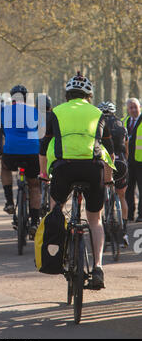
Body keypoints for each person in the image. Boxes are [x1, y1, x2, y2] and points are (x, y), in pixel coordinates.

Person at [39, 72, 115, 288]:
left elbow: (43, 148)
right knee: (95, 220)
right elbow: (109, 151)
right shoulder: (98, 113)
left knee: (57, 210)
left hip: (64, 169)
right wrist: (108, 179)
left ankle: (61, 255)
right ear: (88, 95)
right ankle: (98, 267)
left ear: (67, 95)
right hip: (93, 169)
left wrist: (44, 175)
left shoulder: (55, 112)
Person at [0, 85, 41, 240]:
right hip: (32, 152)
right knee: (34, 186)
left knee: (5, 167)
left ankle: (9, 201)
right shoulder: (35, 111)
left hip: (11, 152)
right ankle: (34, 222)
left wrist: (0, 152)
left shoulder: (3, 112)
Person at [98, 101, 129, 246]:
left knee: (103, 195)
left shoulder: (98, 124)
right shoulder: (121, 124)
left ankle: (107, 231)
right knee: (121, 196)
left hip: (104, 163)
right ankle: (124, 232)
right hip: (121, 163)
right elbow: (126, 148)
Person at [123, 98, 142, 221]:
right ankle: (129, 214)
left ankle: (141, 215)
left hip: (141, 161)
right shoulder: (124, 122)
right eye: (131, 107)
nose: (133, 109)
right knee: (128, 189)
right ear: (127, 109)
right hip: (128, 161)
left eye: (135, 107)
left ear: (140, 107)